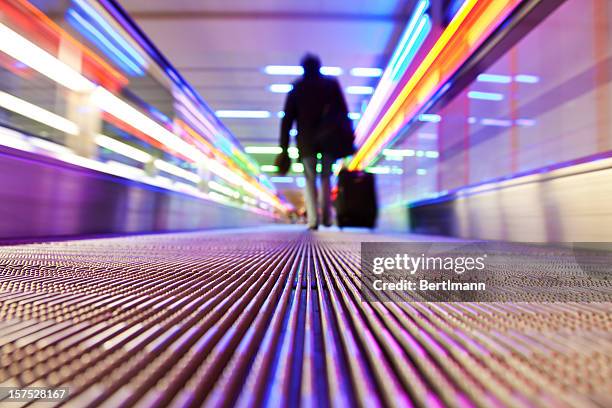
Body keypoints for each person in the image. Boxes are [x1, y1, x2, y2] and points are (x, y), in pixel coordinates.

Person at [279, 54, 350, 230]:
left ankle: (313, 220)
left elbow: (287, 119)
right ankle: (326, 217)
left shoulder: (297, 87)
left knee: (310, 179)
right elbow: (343, 112)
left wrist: (284, 147)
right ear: (320, 67)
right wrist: (347, 137)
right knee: (326, 177)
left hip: (306, 141)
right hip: (329, 139)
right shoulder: (331, 85)